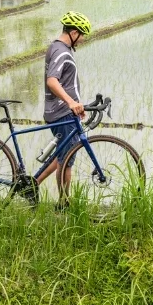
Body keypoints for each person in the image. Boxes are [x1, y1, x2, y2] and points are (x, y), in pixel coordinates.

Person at [24, 11, 92, 202]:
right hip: (62, 112)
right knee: (67, 161)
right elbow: (52, 81)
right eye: (82, 35)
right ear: (74, 32)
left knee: (63, 153)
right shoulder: (62, 52)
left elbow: (65, 83)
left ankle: (33, 184)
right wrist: (71, 103)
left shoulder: (56, 47)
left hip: (62, 111)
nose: (83, 39)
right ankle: (63, 204)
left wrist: (76, 106)